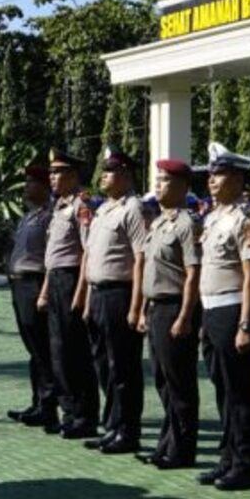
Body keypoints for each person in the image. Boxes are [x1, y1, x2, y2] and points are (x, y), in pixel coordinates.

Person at [196, 143, 250, 492]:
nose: (212, 180)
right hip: (210, 308)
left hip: (232, 307)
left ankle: (246, 464)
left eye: (219, 174)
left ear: (237, 179)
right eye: (210, 174)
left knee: (240, 391)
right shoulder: (212, 217)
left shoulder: (246, 218)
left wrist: (246, 324)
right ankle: (227, 457)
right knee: (222, 388)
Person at [81, 148, 148, 454]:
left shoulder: (133, 209)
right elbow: (91, 255)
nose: (102, 176)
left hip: (120, 294)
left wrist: (137, 306)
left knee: (123, 367)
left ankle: (128, 431)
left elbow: (140, 258)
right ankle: (112, 425)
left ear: (124, 175)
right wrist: (86, 301)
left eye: (108, 171)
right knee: (103, 365)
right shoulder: (104, 209)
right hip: (98, 294)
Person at [136, 158, 201, 469]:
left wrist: (186, 316)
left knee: (180, 382)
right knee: (162, 379)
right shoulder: (160, 222)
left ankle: (183, 449)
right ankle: (167, 443)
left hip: (175, 306)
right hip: (156, 307)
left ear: (182, 187)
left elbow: (192, 273)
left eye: (165, 180)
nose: (158, 185)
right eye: (157, 180)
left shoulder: (187, 224)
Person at [38, 148, 99, 439]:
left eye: (58, 172)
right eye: (51, 172)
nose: (52, 177)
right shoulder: (59, 207)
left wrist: (80, 292)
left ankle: (85, 416)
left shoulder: (81, 206)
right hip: (57, 280)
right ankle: (69, 413)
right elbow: (52, 258)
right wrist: (45, 292)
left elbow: (87, 251)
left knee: (76, 353)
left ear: (74, 176)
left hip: (73, 280)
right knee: (58, 351)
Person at [5, 165, 58, 432]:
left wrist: (45, 290)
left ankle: (49, 407)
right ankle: (37, 403)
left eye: (31, 183)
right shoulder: (28, 217)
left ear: (44, 187)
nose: (26, 187)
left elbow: (51, 258)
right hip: (19, 285)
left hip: (35, 284)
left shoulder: (50, 217)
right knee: (33, 348)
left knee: (42, 348)